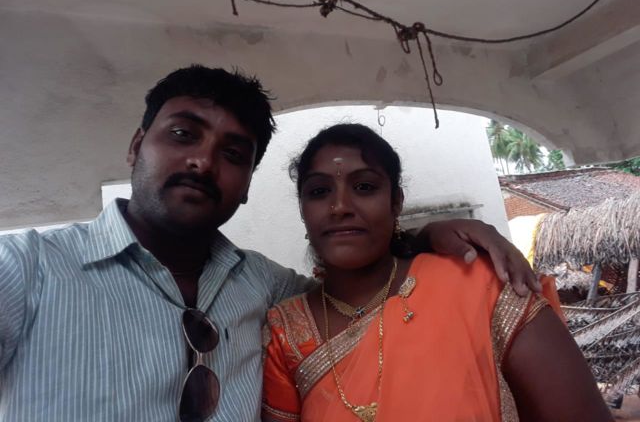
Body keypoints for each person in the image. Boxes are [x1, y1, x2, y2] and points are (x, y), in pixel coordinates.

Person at [1, 66, 538, 422]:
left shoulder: (265, 288)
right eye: (183, 135)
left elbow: (361, 282)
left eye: (233, 154)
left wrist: (426, 235)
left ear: (247, 185)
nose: (203, 161)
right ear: (137, 145)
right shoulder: (27, 270)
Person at [262, 123, 612, 422]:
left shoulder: (479, 283)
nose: (340, 207)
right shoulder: (286, 332)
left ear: (396, 202)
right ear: (303, 210)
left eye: (364, 187)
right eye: (319, 191)